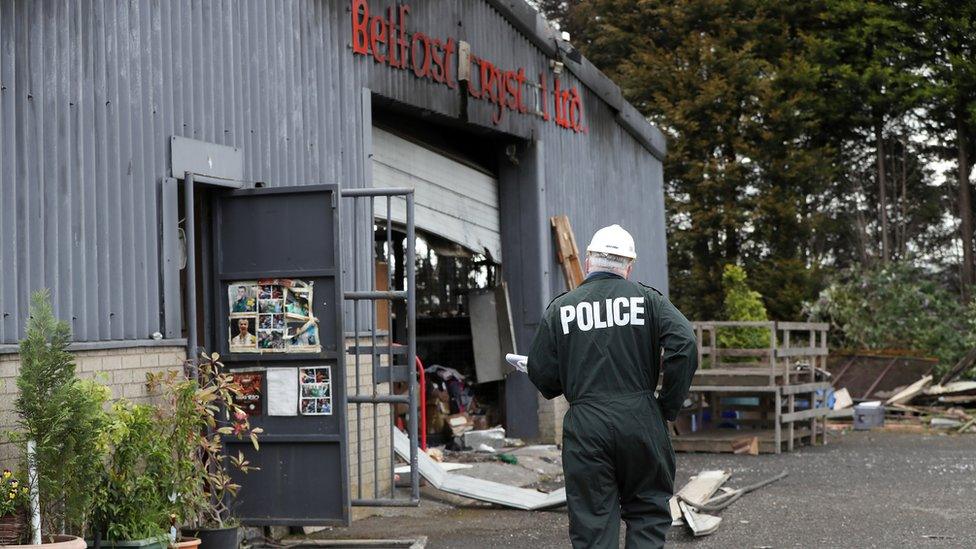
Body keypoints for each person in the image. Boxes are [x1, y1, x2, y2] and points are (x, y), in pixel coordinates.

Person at [528, 224, 698, 548]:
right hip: (641, 418)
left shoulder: (561, 308)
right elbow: (684, 343)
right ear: (628, 267)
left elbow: (540, 371)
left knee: (592, 523)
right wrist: (667, 406)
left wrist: (561, 384)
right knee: (648, 513)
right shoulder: (649, 301)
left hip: (587, 424)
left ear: (590, 261)